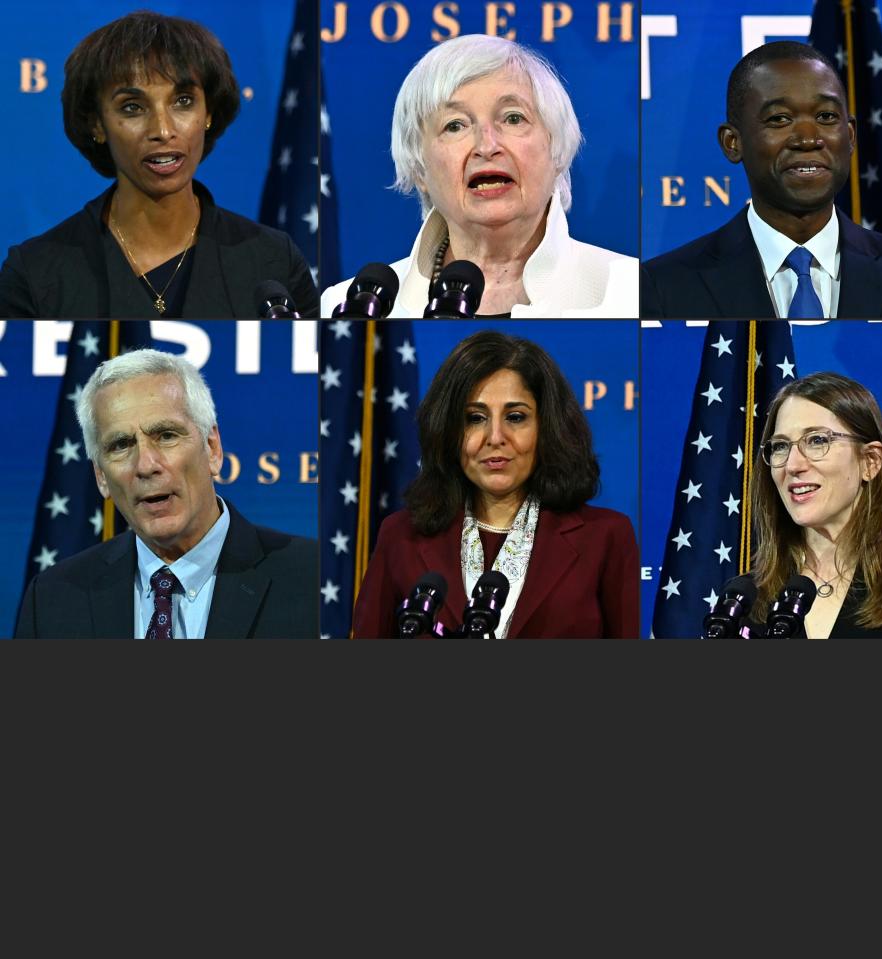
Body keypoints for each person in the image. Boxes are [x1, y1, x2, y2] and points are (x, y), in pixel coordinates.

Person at [0, 11, 317, 319]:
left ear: (208, 113)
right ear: (96, 124)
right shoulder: (35, 273)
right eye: (133, 107)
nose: (163, 131)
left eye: (183, 101)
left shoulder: (273, 260)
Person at [320, 34, 639, 318]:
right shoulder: (352, 306)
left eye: (513, 118)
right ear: (419, 168)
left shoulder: (631, 291)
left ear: (556, 148)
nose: (487, 146)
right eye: (455, 125)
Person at [351, 332, 639, 638]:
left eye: (515, 417)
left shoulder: (606, 537)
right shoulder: (400, 536)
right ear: (449, 431)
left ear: (546, 427)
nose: (495, 437)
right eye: (475, 418)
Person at [642, 41, 882, 319]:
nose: (808, 139)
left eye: (826, 117)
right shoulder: (662, 287)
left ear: (849, 137)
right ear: (732, 143)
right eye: (779, 119)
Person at [15, 349, 318, 638]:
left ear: (212, 449)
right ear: (100, 476)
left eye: (166, 435)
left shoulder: (313, 578)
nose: (146, 465)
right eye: (121, 445)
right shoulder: (53, 599)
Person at [748, 371, 882, 638]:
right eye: (780, 446)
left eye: (816, 441)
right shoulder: (744, 603)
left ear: (870, 461)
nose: (792, 465)